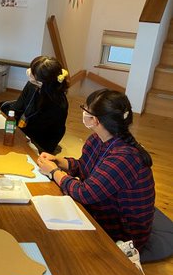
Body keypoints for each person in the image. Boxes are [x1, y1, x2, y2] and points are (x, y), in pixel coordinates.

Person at [37, 89, 155, 250]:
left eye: (86, 110)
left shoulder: (125, 157)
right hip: (102, 210)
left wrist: (54, 172)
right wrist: (58, 162)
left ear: (96, 120)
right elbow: (84, 166)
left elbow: (85, 193)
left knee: (54, 240)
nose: (84, 113)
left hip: (123, 234)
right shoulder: (98, 138)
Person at [0, 56, 69, 153]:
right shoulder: (32, 84)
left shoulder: (57, 105)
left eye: (32, 72)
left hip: (39, 141)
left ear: (41, 82)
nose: (29, 72)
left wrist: (15, 132)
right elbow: (18, 107)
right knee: (2, 107)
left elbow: (37, 131)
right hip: (27, 127)